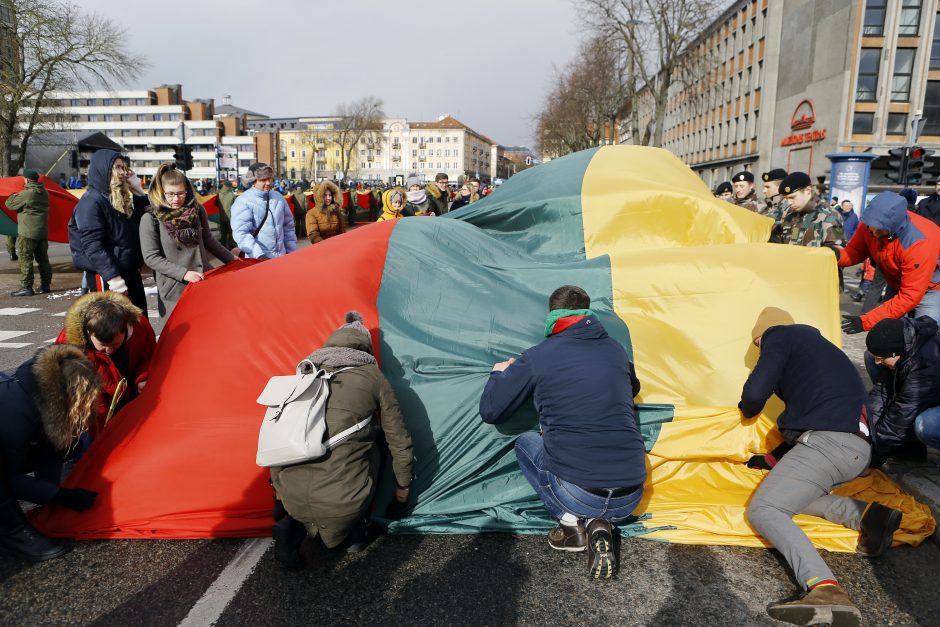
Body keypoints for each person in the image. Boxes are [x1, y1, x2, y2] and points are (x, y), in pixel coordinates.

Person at [741, 308, 901, 626]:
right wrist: (771, 460)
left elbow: (754, 395)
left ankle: (824, 589)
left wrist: (747, 408)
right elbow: (812, 414)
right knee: (794, 497)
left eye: (758, 343)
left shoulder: (780, 335)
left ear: (761, 335)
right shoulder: (821, 350)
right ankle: (868, 516)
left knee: (764, 509)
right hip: (856, 450)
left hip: (828, 444)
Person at [478, 285, 647, 580]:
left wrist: (498, 374)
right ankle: (600, 523)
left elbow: (491, 410)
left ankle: (571, 527)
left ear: (552, 316)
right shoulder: (616, 351)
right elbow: (633, 388)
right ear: (588, 312)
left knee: (527, 442)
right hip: (631, 496)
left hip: (579, 494)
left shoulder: (539, 356)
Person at [269, 312, 414, 568]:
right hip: (345, 501)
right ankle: (356, 533)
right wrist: (402, 492)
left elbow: (276, 440)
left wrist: (279, 493)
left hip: (292, 496)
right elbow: (399, 441)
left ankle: (292, 526)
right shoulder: (372, 376)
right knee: (376, 439)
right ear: (365, 347)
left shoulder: (303, 374)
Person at [0, 345, 101, 561]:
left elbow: (51, 447)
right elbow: (7, 481)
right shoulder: (16, 416)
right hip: (6, 443)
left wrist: (52, 496)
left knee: (69, 444)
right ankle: (12, 534)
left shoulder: (43, 399)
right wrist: (60, 496)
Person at [139, 162, 238, 318]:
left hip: (203, 281)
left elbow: (209, 241)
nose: (176, 199)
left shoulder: (197, 211)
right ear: (160, 192)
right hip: (175, 288)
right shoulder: (150, 218)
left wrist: (232, 260)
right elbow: (151, 257)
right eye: (170, 194)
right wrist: (184, 274)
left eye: (181, 193)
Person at [836, 191, 940, 334]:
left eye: (879, 231)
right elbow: (855, 251)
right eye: (870, 228)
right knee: (886, 335)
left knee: (924, 339)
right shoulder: (870, 225)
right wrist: (836, 255)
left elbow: (910, 295)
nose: (873, 233)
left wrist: (866, 321)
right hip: (896, 284)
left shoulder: (918, 242)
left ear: (894, 227)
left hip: (930, 291)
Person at [56, 291, 156, 435]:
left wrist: (143, 377)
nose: (109, 350)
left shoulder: (140, 327)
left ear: (124, 328)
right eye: (102, 345)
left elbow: (149, 356)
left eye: (115, 344)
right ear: (89, 333)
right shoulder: (70, 345)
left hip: (130, 394)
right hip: (93, 403)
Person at [67, 149, 150, 315]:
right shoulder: (92, 202)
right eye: (117, 168)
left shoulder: (116, 198)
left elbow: (143, 222)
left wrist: (138, 192)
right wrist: (114, 279)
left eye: (124, 168)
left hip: (128, 272)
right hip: (109, 277)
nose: (122, 172)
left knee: (139, 327)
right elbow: (93, 245)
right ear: (104, 170)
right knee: (112, 329)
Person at [864, 317, 940, 466]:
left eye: (881, 358)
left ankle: (909, 442)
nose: (877, 361)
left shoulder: (926, 364)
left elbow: (902, 413)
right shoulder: (906, 344)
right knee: (869, 356)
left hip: (928, 393)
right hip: (924, 394)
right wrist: (866, 431)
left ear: (894, 354)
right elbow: (882, 392)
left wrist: (872, 457)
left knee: (926, 424)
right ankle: (910, 447)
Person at [230, 162, 297, 260]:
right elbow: (241, 233)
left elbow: (288, 227)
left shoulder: (278, 197)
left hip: (282, 259)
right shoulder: (243, 201)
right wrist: (260, 256)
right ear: (253, 181)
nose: (268, 183)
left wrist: (292, 253)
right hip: (257, 261)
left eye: (269, 178)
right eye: (263, 180)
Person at [6, 169, 52, 297]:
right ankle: (45, 285)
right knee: (43, 259)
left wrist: (15, 194)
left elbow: (9, 204)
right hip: (42, 232)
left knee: (25, 259)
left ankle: (26, 287)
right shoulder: (45, 193)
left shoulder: (27, 194)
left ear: (26, 180)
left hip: (27, 233)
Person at [776, 172, 843, 248]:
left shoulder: (830, 215)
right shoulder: (790, 215)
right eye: (786, 199)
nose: (789, 203)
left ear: (808, 190)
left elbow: (837, 253)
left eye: (792, 197)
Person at [216, 179, 237, 249]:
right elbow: (235, 206)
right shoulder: (232, 195)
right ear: (230, 187)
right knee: (231, 233)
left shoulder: (218, 195)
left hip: (222, 217)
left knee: (223, 233)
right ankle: (231, 246)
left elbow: (216, 204)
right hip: (230, 217)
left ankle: (223, 246)